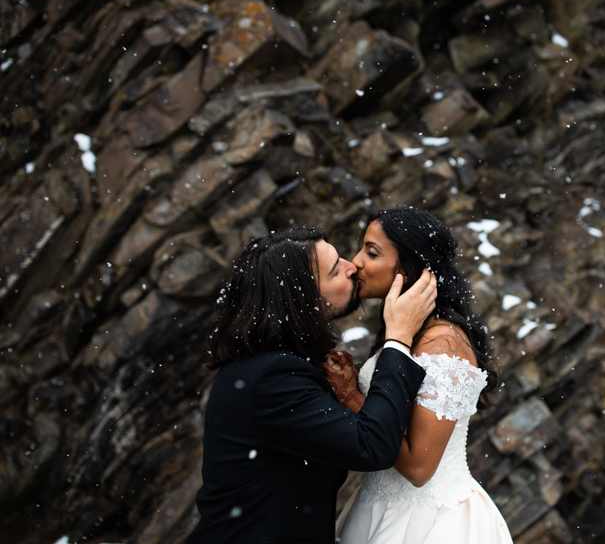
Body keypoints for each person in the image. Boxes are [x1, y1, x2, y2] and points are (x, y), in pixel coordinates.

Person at [185, 227, 437, 544]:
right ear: (303, 299)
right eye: (335, 270)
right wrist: (398, 339)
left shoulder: (264, 363)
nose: (352, 266)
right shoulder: (273, 377)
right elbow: (372, 447)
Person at [328, 207, 514, 544]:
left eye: (371, 252)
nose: (355, 262)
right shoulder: (408, 331)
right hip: (376, 507)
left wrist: (350, 397)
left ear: (409, 266)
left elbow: (418, 468)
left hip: (429, 522)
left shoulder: (444, 343)